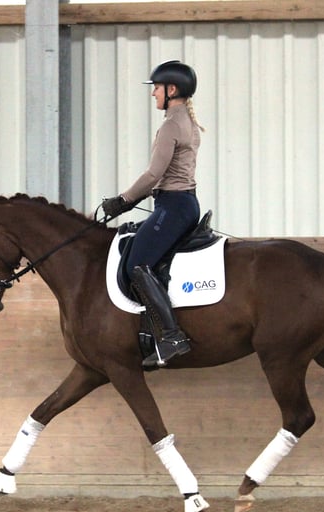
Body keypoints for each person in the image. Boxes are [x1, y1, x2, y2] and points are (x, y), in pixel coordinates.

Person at [102, 59, 206, 369]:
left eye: (156, 88)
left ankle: (172, 337)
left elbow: (152, 175)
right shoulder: (185, 121)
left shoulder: (172, 125)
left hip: (173, 206)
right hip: (180, 203)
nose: (153, 94)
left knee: (137, 264)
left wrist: (122, 201)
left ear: (171, 89)